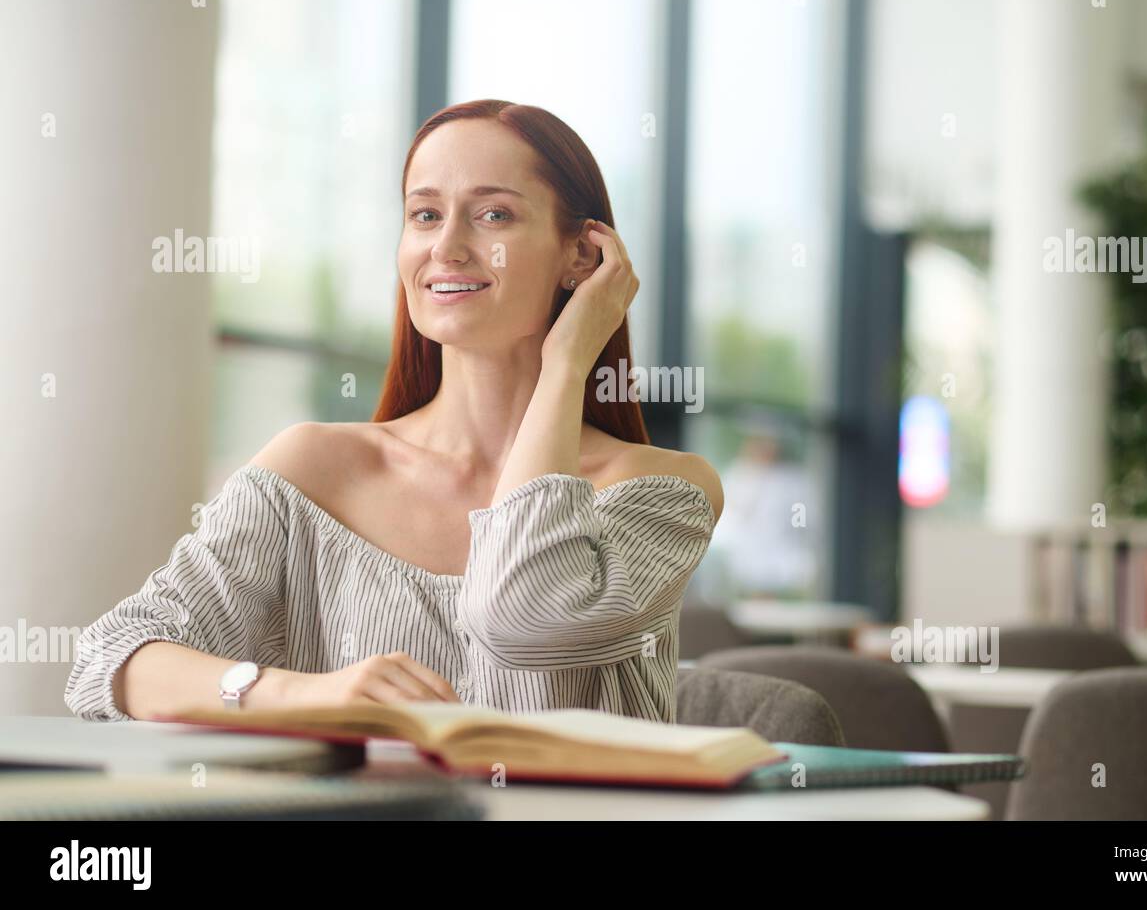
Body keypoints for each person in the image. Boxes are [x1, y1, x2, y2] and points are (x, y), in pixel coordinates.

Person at [66, 99, 723, 725]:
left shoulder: (664, 491)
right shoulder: (314, 469)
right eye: (425, 215)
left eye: (493, 215)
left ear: (582, 255)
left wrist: (567, 366)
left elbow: (524, 615)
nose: (448, 247)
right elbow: (109, 659)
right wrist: (301, 695)